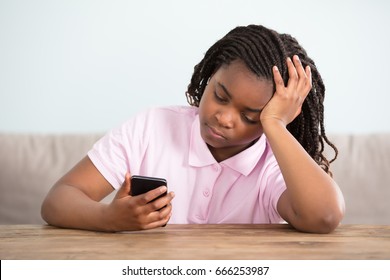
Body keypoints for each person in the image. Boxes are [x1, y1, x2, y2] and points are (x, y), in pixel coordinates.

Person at [41, 24, 345, 233]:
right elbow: (57, 201)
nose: (224, 118)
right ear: (209, 77)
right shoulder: (151, 127)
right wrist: (108, 217)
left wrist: (276, 126)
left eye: (252, 117)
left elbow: (325, 216)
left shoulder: (275, 163)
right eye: (220, 96)